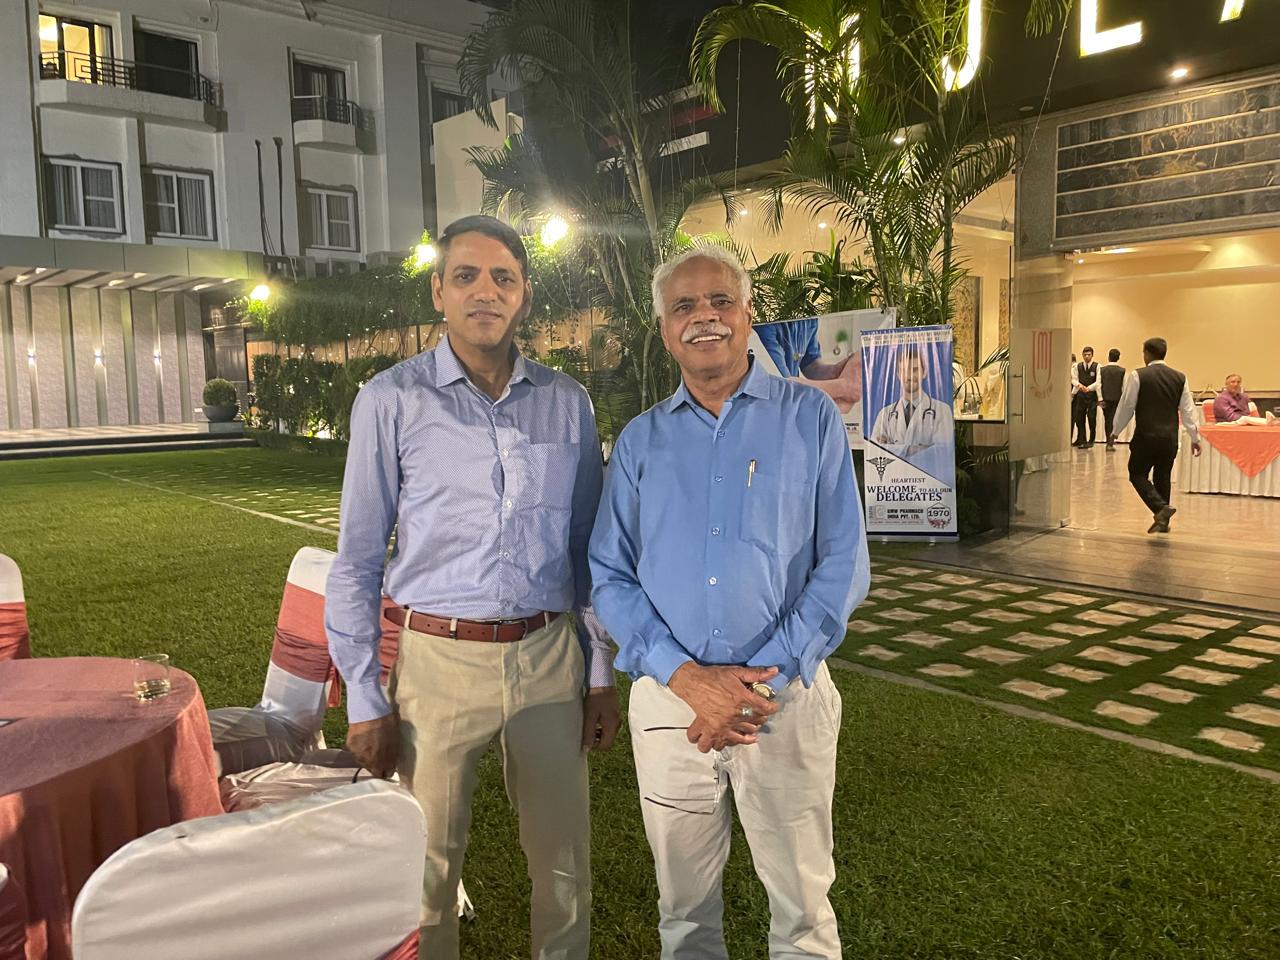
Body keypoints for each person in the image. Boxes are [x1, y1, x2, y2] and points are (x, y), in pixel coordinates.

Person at [325, 215, 619, 960]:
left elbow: (588, 549)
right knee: (425, 871)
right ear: (439, 292)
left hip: (549, 658)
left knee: (564, 867)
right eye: (466, 276)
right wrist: (364, 695)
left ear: (524, 295)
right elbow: (357, 559)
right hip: (437, 661)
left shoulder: (567, 403)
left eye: (503, 278)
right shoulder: (391, 400)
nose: (485, 292)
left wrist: (600, 672)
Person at [589, 245, 869, 960]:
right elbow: (609, 574)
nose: (704, 317)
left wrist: (754, 687)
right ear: (664, 330)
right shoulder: (641, 442)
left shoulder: (809, 418)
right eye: (684, 306)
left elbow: (843, 564)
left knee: (803, 911)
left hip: (784, 703)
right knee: (683, 913)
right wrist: (687, 679)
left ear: (747, 315)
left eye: (720, 301)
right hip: (670, 709)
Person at [1109, 337, 1202, 534]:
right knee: (1163, 476)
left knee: (1137, 473)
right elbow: (1188, 411)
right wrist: (1195, 438)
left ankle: (1160, 509)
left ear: (1147, 354)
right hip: (1170, 437)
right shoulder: (1180, 378)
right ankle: (1163, 522)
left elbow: (1127, 406)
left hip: (1146, 435)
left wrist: (1115, 431)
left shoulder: (1138, 375)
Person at [869, 344, 955, 481]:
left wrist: (893, 448)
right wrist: (918, 449)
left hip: (928, 486)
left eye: (915, 370)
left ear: (924, 372)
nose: (909, 376)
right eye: (904, 370)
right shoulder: (884, 414)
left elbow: (942, 454)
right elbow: (875, 453)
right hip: (893, 486)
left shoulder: (942, 411)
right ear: (898, 374)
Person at [753, 317, 861, 413]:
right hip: (768, 408)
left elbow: (810, 363)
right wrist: (842, 387)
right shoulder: (764, 324)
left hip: (791, 405)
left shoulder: (809, 318)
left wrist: (835, 371)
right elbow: (783, 384)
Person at [1071, 346, 1100, 448]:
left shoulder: (1097, 366)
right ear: (1082, 355)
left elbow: (1098, 382)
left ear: (1092, 355)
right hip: (1081, 394)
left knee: (1091, 418)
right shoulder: (1078, 366)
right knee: (1079, 418)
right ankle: (1082, 440)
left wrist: (1089, 388)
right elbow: (1074, 379)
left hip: (1092, 395)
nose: (1087, 356)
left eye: (1089, 355)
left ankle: (1091, 440)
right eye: (1085, 355)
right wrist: (1079, 386)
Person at [1099, 349, 1126, 451]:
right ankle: (1111, 442)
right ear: (1118, 358)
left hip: (1105, 399)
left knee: (1108, 421)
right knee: (1115, 421)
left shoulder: (1102, 370)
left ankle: (1108, 441)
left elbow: (1099, 385)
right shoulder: (1122, 371)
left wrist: (1100, 398)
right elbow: (1124, 387)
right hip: (1117, 399)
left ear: (1108, 357)